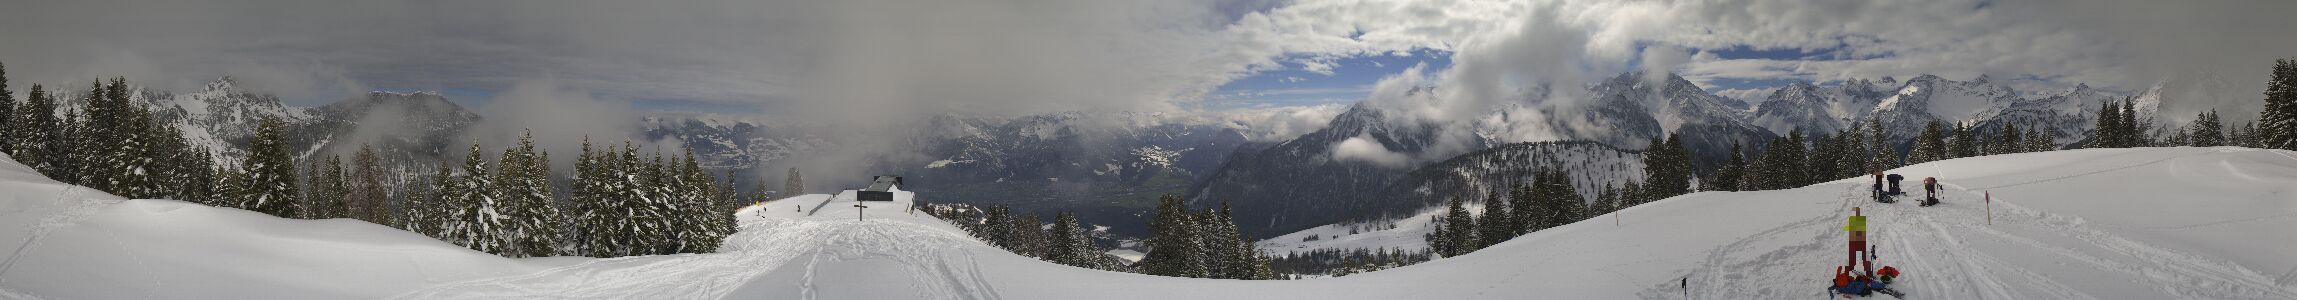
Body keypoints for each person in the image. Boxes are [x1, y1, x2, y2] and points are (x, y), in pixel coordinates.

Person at [1845, 207, 1868, 274]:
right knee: (1859, 253)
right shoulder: (1861, 220)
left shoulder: (1854, 220)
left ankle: (1854, 266)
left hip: (1856, 239)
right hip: (1859, 239)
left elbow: (1846, 229)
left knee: (1854, 253)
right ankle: (1861, 266)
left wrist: (1848, 227)